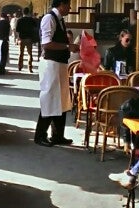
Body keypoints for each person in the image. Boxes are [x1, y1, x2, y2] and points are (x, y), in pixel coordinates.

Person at [34, 0, 79, 147]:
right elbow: (46, 43)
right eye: (68, 4)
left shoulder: (59, 19)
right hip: (51, 64)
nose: (70, 7)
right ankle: (40, 135)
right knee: (50, 98)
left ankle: (58, 135)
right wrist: (68, 46)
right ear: (61, 4)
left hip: (60, 64)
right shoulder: (49, 18)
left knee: (62, 99)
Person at [16, 7, 37, 73]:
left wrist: (18, 38)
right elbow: (35, 26)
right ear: (28, 12)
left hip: (22, 38)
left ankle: (20, 66)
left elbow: (17, 30)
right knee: (30, 54)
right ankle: (30, 68)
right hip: (29, 38)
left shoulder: (20, 20)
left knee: (21, 53)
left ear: (23, 12)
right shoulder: (31, 19)